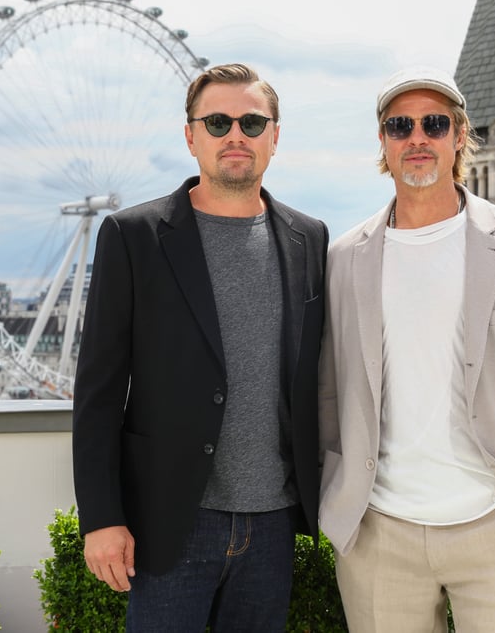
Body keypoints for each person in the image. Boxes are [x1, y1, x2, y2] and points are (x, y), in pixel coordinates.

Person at [317, 66, 495, 632]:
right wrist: (338, 494)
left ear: (459, 136)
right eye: (399, 126)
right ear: (383, 143)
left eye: (433, 124)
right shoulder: (344, 257)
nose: (417, 138)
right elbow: (330, 390)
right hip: (379, 534)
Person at [72, 63, 328, 632]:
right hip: (171, 522)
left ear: (275, 136)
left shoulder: (309, 238)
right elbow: (98, 392)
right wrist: (101, 518)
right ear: (191, 136)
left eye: (252, 122)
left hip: (274, 525)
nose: (235, 135)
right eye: (217, 122)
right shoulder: (132, 236)